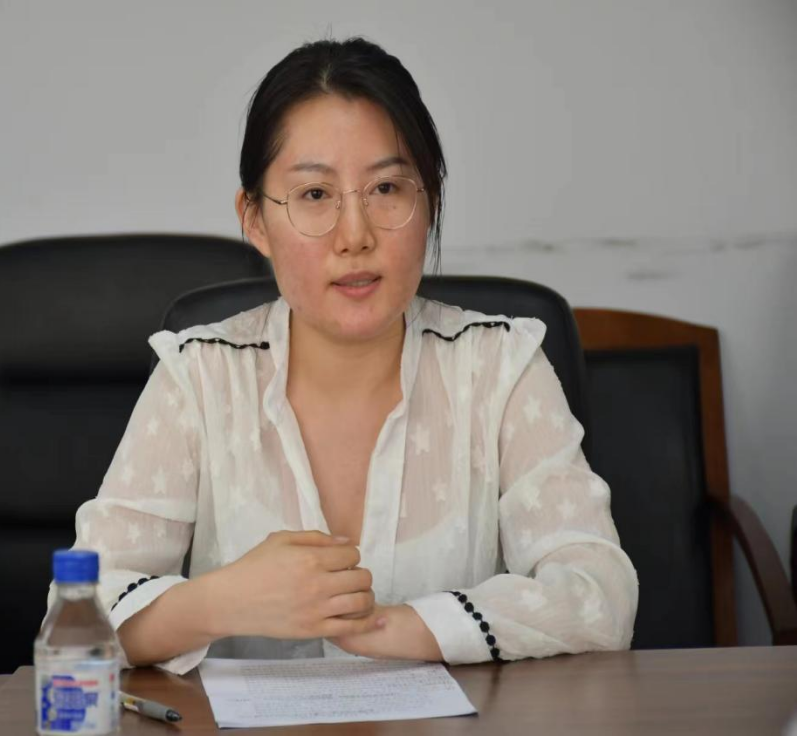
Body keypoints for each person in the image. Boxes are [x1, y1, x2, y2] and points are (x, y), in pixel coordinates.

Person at [44, 36, 638, 676]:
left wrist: (395, 626)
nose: (355, 236)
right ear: (254, 220)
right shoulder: (198, 377)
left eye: (386, 188)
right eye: (314, 195)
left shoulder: (500, 369)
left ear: (430, 202)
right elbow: (75, 621)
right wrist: (221, 602)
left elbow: (599, 596)